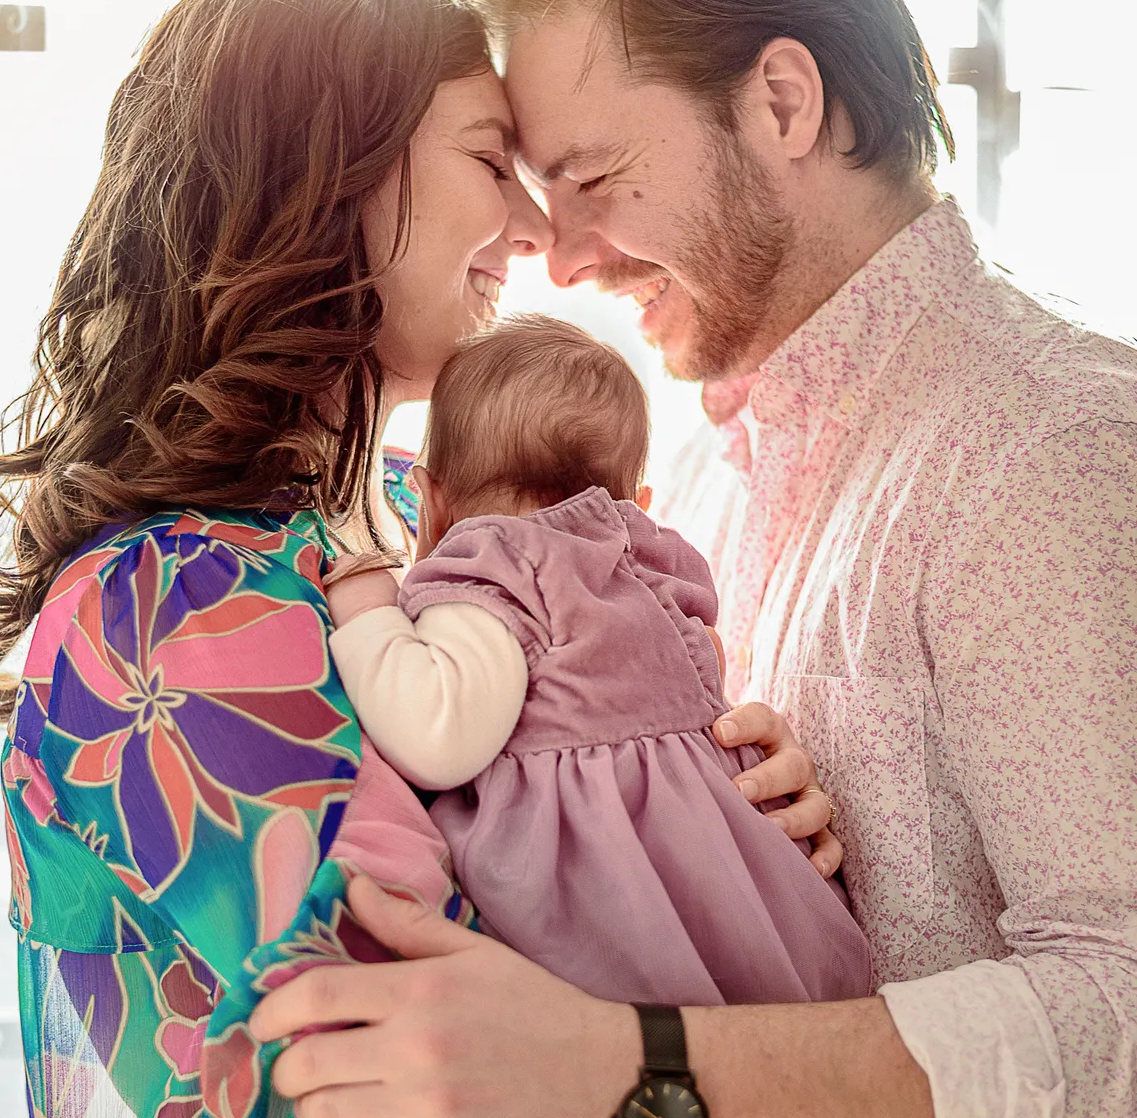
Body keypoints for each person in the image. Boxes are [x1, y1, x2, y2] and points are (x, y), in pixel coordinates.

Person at [253, 0, 1137, 1118]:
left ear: (784, 103)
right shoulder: (695, 482)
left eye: (592, 174)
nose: (559, 253)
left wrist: (624, 1072)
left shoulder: (1050, 446)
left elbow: (1128, 1024)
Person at [0, 0, 835, 1118]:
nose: (542, 229)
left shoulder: (442, 527)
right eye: (492, 158)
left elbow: (574, 916)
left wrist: (730, 823)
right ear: (330, 175)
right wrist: (735, 1093)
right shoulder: (173, 600)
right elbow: (433, 1098)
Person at [325, 309, 872, 1020]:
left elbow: (436, 735)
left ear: (430, 501)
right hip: (754, 912)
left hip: (615, 936)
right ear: (638, 505)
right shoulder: (656, 574)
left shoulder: (495, 567)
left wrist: (367, 605)